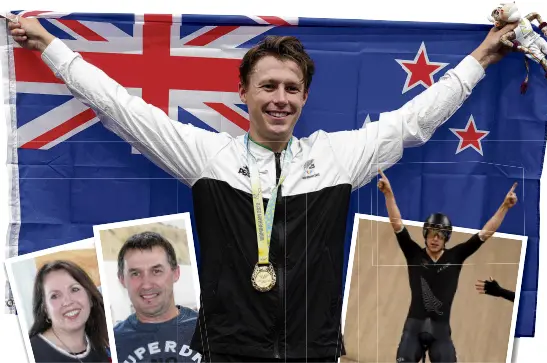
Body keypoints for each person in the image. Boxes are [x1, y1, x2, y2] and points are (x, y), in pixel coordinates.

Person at [8, 14, 519, 362]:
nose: (280, 99)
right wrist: (51, 47)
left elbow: (416, 121)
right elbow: (121, 109)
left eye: (291, 88)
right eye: (268, 86)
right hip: (228, 350)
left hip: (313, 350)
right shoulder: (209, 157)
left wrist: (483, 56)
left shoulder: (335, 159)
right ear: (244, 93)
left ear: (304, 97)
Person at [377, 168, 518, 363]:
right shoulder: (413, 253)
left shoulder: (457, 255)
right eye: (432, 233)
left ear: (446, 239)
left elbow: (486, 233)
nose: (435, 239)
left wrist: (504, 207)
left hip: (441, 333)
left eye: (441, 235)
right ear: (425, 234)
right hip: (413, 328)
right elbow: (397, 223)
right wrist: (389, 194)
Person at [113, 231, 202, 362]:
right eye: (136, 273)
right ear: (122, 280)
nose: (147, 285)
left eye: (156, 271)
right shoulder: (114, 342)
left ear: (176, 273)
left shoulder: (208, 330)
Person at [28, 260, 110, 362]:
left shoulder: (102, 342)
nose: (68, 302)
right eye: (55, 296)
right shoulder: (30, 353)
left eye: (74, 289)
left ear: (90, 298)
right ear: (46, 310)